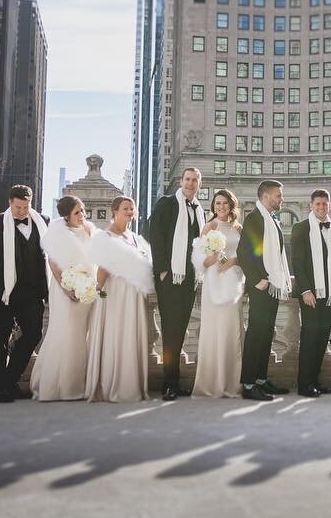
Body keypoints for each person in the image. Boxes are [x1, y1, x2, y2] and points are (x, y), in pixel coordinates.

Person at [0, 184, 48, 402]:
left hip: (33, 294)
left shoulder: (42, 222)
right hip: (5, 294)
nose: (22, 211)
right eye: (18, 207)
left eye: (26, 207)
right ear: (10, 203)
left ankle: (9, 380)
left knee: (34, 334)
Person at [85, 196, 154, 402]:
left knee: (130, 334)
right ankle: (110, 384)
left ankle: (129, 384)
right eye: (126, 208)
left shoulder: (136, 238)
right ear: (114, 211)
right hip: (115, 293)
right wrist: (97, 288)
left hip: (133, 293)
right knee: (115, 334)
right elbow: (104, 267)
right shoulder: (105, 236)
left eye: (132, 209)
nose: (130, 212)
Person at [147, 166, 206, 401]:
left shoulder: (199, 209)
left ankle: (173, 382)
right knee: (170, 331)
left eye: (195, 180)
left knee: (180, 330)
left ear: (199, 184)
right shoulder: (167, 203)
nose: (191, 183)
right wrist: (162, 270)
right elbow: (155, 234)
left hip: (189, 277)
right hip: (170, 277)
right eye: (188, 179)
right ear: (181, 181)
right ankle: (169, 384)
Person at [32, 196, 94, 401]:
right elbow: (53, 262)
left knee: (80, 336)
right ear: (66, 215)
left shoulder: (89, 230)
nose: (82, 215)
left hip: (85, 289)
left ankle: (77, 383)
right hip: (64, 289)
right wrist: (66, 288)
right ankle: (57, 386)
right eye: (77, 212)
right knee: (64, 332)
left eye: (83, 211)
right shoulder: (58, 232)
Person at [238, 179, 292, 402]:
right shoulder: (254, 218)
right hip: (262, 286)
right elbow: (244, 252)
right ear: (266, 196)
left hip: (272, 285)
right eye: (278, 195)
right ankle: (249, 384)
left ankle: (260, 380)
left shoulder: (271, 219)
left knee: (266, 334)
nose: (281, 199)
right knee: (255, 335)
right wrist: (257, 279)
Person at [289, 188, 331, 397]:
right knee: (310, 337)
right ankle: (304, 385)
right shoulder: (301, 228)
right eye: (318, 204)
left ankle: (315, 381)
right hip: (311, 293)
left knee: (323, 338)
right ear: (311, 205)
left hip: (330, 294)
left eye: (325, 204)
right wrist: (305, 290)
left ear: (329, 205)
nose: (322, 207)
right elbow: (297, 262)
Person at [191, 188, 244, 399]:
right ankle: (211, 383)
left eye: (224, 203)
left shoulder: (239, 228)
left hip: (234, 284)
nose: (220, 207)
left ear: (232, 206)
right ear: (213, 206)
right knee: (213, 331)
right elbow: (199, 262)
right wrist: (213, 258)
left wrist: (233, 260)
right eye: (217, 203)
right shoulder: (209, 227)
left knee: (233, 331)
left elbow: (245, 254)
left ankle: (232, 383)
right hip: (214, 284)